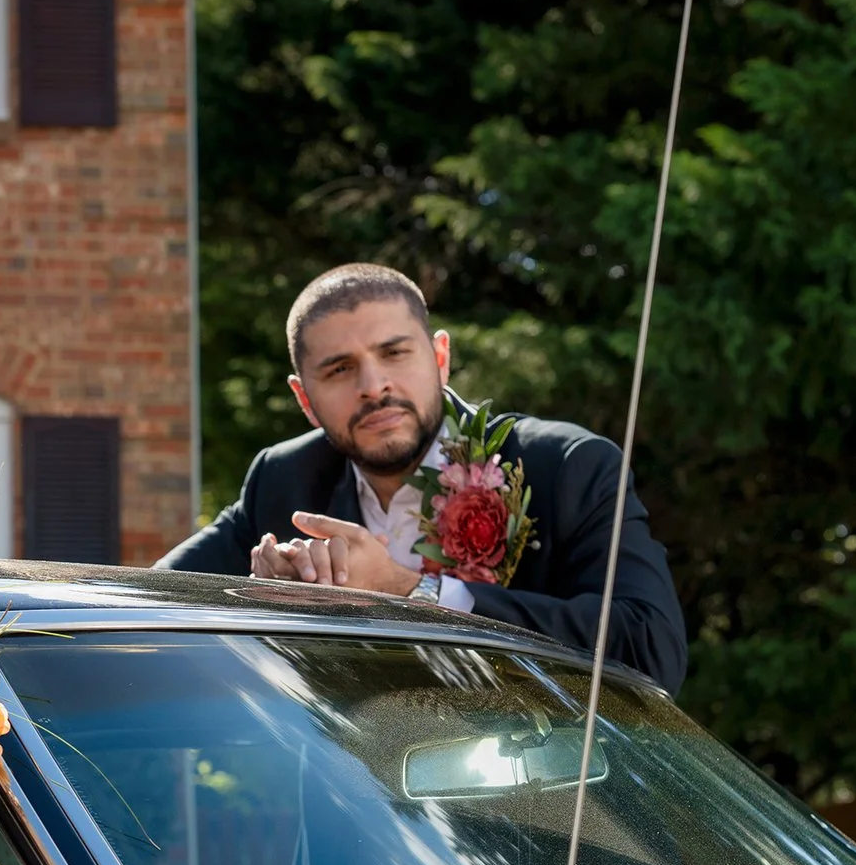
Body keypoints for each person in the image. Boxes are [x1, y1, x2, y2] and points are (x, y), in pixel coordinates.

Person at [155, 264, 687, 693]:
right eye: (340, 369)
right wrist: (257, 599)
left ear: (440, 358)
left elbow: (652, 649)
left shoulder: (567, 466)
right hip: (351, 814)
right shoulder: (285, 480)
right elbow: (149, 605)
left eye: (394, 353)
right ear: (305, 400)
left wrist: (412, 590)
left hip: (551, 812)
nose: (373, 386)